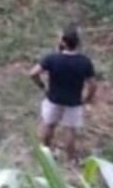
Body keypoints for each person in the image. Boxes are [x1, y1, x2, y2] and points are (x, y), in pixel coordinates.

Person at [29, 25, 97, 162]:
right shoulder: (84, 62)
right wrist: (87, 98)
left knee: (48, 125)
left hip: (53, 98)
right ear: (77, 43)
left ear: (63, 42)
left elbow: (33, 73)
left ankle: (45, 153)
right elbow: (93, 85)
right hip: (74, 101)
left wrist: (42, 85)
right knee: (70, 130)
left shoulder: (52, 58)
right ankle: (70, 160)